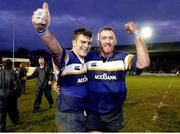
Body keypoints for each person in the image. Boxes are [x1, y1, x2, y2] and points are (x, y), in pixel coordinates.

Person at [32, 3, 92, 132]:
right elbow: (56, 50)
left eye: (89, 43)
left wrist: (56, 83)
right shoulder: (67, 57)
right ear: (74, 43)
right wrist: (43, 31)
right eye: (82, 42)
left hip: (86, 113)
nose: (86, 46)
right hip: (69, 117)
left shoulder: (88, 59)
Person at [85, 24, 150, 132]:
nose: (107, 41)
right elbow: (68, 65)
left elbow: (143, 63)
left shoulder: (123, 57)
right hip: (92, 114)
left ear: (115, 41)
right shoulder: (88, 57)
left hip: (114, 114)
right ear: (99, 41)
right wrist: (59, 83)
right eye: (104, 38)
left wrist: (136, 33)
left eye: (111, 38)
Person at [0, 59, 21, 132]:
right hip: (10, 95)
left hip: (1, 95)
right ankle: (15, 121)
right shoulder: (12, 72)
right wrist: (18, 95)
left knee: (2, 112)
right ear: (11, 65)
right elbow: (16, 86)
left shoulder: (1, 72)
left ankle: (2, 128)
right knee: (12, 109)